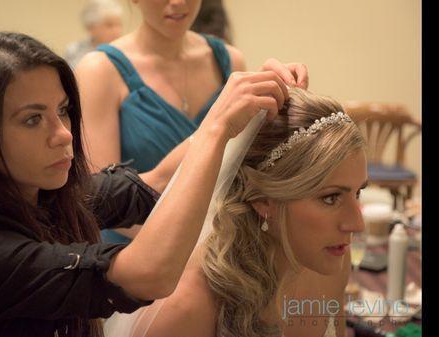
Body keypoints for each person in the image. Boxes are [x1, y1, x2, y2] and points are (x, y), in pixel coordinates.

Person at [0, 31, 288, 337]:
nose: (63, 135)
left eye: (62, 110)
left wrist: (248, 108)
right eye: (32, 120)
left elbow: (158, 181)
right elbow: (147, 275)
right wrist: (215, 127)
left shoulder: (45, 197)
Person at [103, 88, 368, 337]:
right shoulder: (184, 310)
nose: (357, 224)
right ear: (263, 200)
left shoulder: (331, 261)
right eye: (331, 198)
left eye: (358, 192)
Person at [76, 0, 309, 243]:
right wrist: (193, 250)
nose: (178, 2)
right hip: (136, 255)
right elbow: (102, 204)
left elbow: (240, 165)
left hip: (215, 252)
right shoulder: (99, 71)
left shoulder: (228, 61)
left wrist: (281, 94)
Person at [64, 0, 124, 68]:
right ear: (91, 27)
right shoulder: (74, 51)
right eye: (109, 25)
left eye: (119, 24)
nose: (117, 30)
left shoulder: (126, 52)